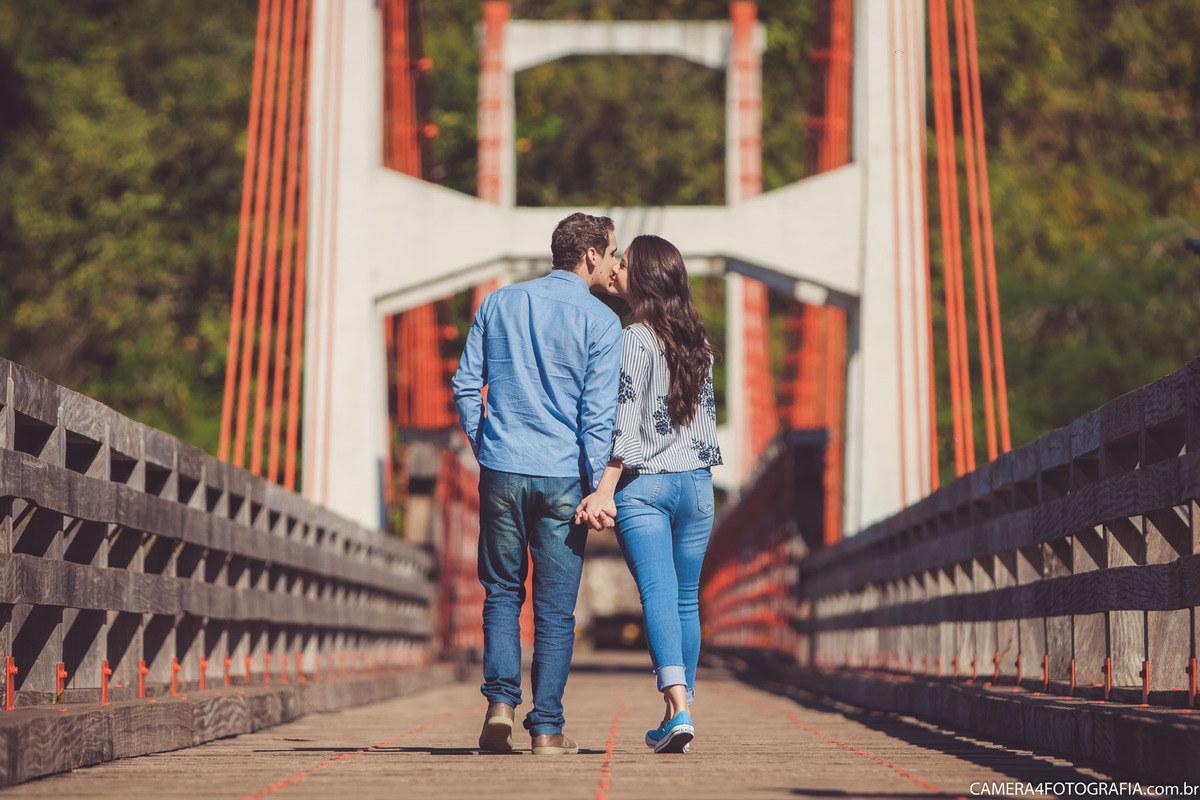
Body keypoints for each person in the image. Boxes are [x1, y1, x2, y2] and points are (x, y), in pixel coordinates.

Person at [452, 212, 622, 755]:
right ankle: (547, 729)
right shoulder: (602, 323)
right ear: (591, 255)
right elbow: (598, 419)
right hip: (562, 481)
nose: (617, 264)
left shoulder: (499, 303)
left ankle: (500, 705)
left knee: (502, 592)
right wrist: (600, 489)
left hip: (502, 471)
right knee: (554, 609)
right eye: (614, 253)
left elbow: (463, 386)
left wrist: (488, 448)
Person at [575, 234, 721, 754]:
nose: (617, 269)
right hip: (699, 487)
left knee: (658, 596)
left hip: (647, 487)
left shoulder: (634, 338)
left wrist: (603, 492)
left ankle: (678, 708)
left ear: (647, 278)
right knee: (686, 600)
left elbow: (627, 427)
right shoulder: (698, 343)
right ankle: (677, 714)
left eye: (626, 264)